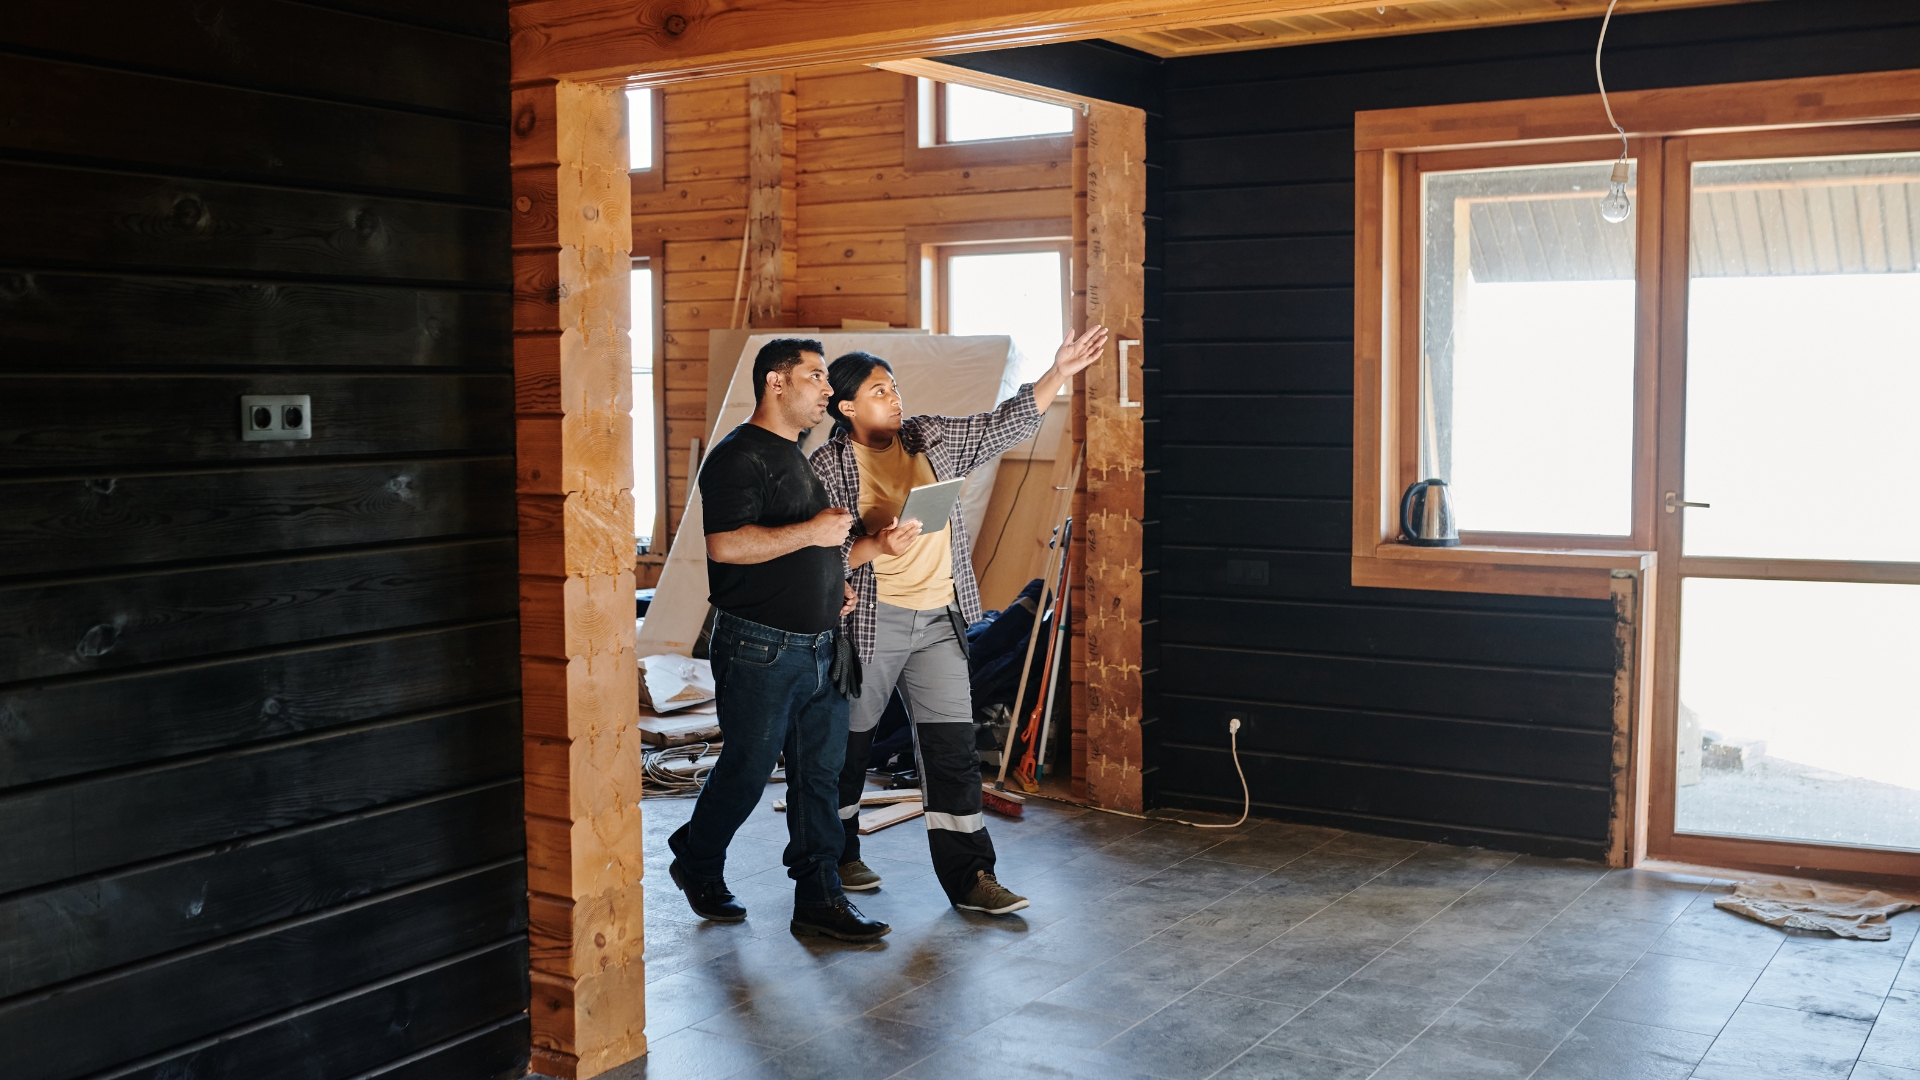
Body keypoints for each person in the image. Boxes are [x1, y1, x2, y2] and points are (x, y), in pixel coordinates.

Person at [811, 326, 1109, 915]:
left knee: (950, 750)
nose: (894, 398)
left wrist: (1059, 373)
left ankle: (972, 877)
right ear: (846, 408)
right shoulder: (828, 467)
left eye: (894, 387)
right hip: (872, 622)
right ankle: (836, 854)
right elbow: (816, 555)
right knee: (849, 746)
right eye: (878, 391)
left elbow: (1004, 423)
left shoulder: (931, 438)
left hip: (940, 620)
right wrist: (877, 543)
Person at [665, 338, 890, 943]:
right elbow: (727, 546)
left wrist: (832, 588)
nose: (826, 388)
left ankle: (819, 898)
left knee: (819, 776)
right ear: (776, 383)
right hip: (760, 648)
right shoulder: (738, 457)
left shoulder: (797, 455)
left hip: (821, 644)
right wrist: (816, 532)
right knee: (746, 769)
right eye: (815, 376)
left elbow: (802, 550)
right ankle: (697, 858)